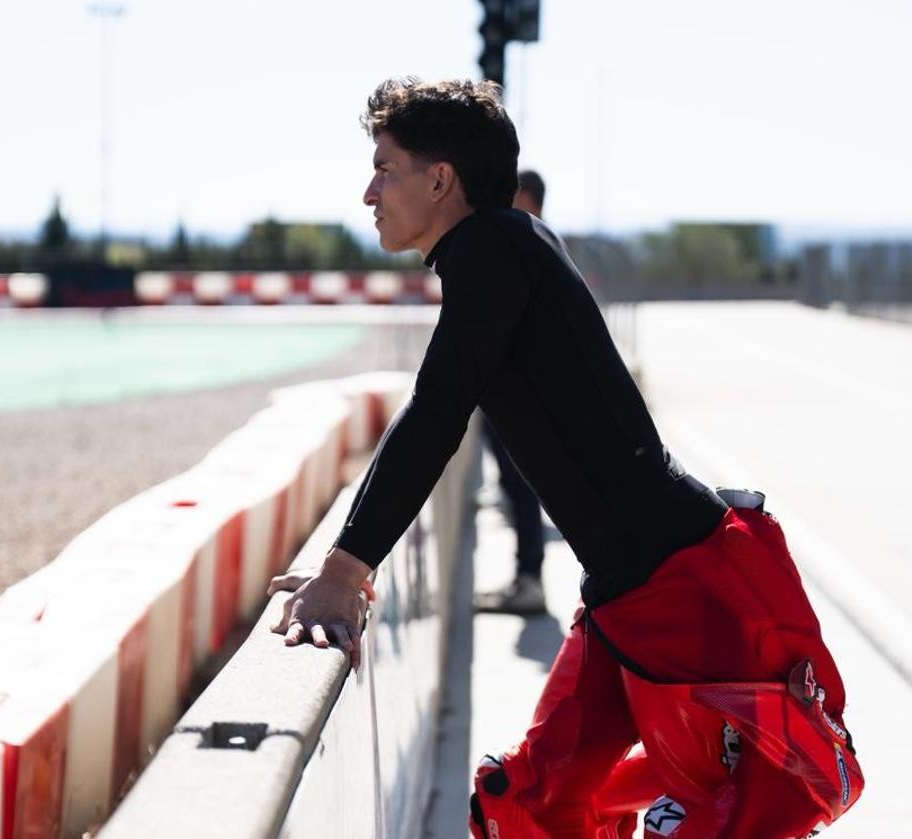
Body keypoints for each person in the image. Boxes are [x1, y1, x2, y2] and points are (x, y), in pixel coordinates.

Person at [270, 78, 863, 838]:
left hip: (685, 596)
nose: (368, 191)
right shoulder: (511, 243)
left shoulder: (491, 247)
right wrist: (344, 562)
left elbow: (437, 410)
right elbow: (443, 407)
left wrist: (347, 568)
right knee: (531, 806)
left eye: (385, 167)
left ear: (439, 178)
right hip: (628, 593)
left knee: (716, 821)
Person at [474, 168, 550, 615]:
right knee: (517, 488)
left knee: (523, 491)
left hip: (523, 399)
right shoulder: (532, 245)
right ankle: (527, 579)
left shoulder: (529, 248)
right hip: (511, 395)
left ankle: (529, 581)